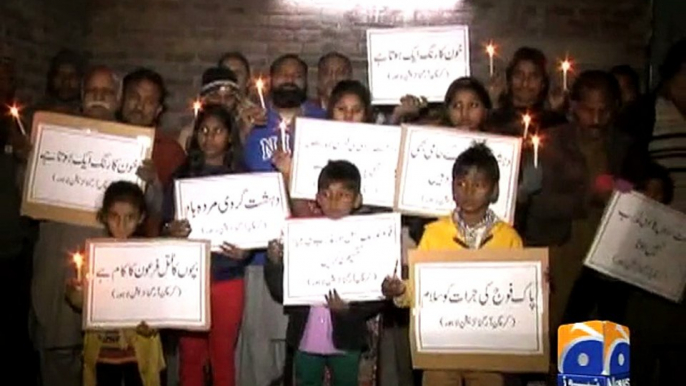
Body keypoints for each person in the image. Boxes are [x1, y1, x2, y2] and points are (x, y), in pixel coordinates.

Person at [30, 67, 159, 386]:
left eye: (106, 91)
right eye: (92, 90)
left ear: (116, 100)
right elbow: (27, 197)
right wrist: (29, 161)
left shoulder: (134, 148)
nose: (99, 96)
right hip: (59, 272)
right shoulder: (54, 139)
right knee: (59, 362)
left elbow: (151, 208)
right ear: (81, 96)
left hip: (110, 281)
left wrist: (150, 181)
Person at [382, 143, 523, 386]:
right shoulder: (434, 234)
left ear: (494, 191)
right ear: (452, 187)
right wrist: (400, 291)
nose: (468, 191)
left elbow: (521, 297)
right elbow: (417, 290)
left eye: (478, 185)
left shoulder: (509, 238)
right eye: (461, 184)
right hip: (441, 350)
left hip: (489, 353)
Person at [237, 54, 326, 386]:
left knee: (304, 348)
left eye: (298, 75)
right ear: (269, 80)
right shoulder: (252, 121)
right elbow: (224, 172)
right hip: (261, 256)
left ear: (307, 82)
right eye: (283, 74)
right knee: (259, 344)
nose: (290, 80)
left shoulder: (324, 120)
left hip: (310, 255)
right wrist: (242, 131)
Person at [264, 160, 384, 386]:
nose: (334, 202)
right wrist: (274, 262)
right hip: (306, 338)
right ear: (317, 198)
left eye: (343, 195)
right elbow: (280, 290)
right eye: (327, 194)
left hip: (346, 339)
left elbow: (377, 295)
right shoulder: (301, 235)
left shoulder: (368, 238)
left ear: (357, 200)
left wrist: (349, 309)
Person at [164, 104, 248, 386]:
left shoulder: (243, 177)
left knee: (223, 355)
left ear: (230, 137)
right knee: (190, 356)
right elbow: (164, 222)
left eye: (218, 131)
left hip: (227, 278)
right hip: (190, 279)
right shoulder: (181, 176)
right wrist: (170, 230)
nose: (209, 137)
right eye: (204, 130)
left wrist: (246, 251)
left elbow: (254, 226)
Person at [65, 181, 165, 386]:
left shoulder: (151, 257)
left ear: (141, 218)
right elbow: (80, 303)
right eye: (114, 217)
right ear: (103, 216)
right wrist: (76, 291)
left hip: (139, 352)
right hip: (103, 351)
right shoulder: (93, 256)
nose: (121, 225)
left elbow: (160, 301)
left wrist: (154, 321)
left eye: (130, 218)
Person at [119, 68, 186, 188]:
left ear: (158, 110)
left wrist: (154, 182)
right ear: (122, 99)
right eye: (134, 97)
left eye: (149, 102)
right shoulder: (101, 138)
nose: (139, 106)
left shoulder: (171, 153)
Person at [487, 47, 567, 136]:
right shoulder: (493, 120)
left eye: (533, 76)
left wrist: (557, 113)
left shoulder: (554, 122)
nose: (525, 83)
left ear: (543, 83)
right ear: (509, 79)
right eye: (519, 75)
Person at [177, 66, 242, 150]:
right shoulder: (189, 134)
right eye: (215, 96)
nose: (222, 102)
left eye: (229, 97)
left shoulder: (244, 130)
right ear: (203, 100)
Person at [32, 49, 83, 115]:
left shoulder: (87, 117)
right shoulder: (35, 114)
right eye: (60, 75)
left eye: (72, 76)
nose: (66, 81)